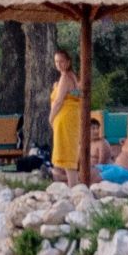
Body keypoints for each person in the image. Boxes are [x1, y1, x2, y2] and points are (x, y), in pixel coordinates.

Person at [49, 48, 84, 182]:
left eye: (61, 61)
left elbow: (58, 101)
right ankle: (69, 184)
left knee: (67, 154)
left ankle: (72, 186)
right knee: (68, 152)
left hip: (64, 117)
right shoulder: (73, 77)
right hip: (71, 117)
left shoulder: (65, 77)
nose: (59, 64)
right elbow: (76, 94)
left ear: (68, 62)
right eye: (56, 62)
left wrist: (51, 117)